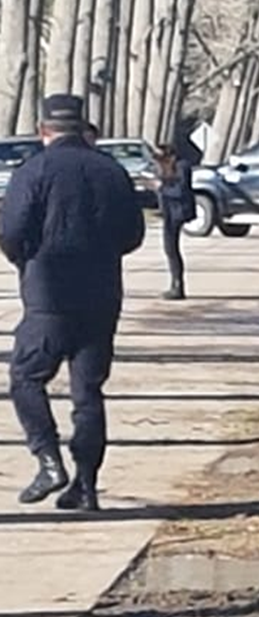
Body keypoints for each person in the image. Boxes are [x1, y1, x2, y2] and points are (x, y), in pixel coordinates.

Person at [0, 94, 146, 511]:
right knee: (88, 392)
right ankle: (86, 485)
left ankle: (48, 460)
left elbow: (11, 230)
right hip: (101, 295)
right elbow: (133, 234)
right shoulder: (111, 171)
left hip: (49, 294)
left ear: (43, 130)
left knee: (26, 377)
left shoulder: (34, 171)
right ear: (84, 128)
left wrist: (26, 259)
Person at [154, 143, 194, 300]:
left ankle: (178, 286)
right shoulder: (168, 168)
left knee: (171, 248)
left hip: (178, 211)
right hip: (169, 212)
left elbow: (180, 191)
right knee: (170, 249)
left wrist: (160, 188)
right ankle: (175, 284)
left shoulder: (182, 167)